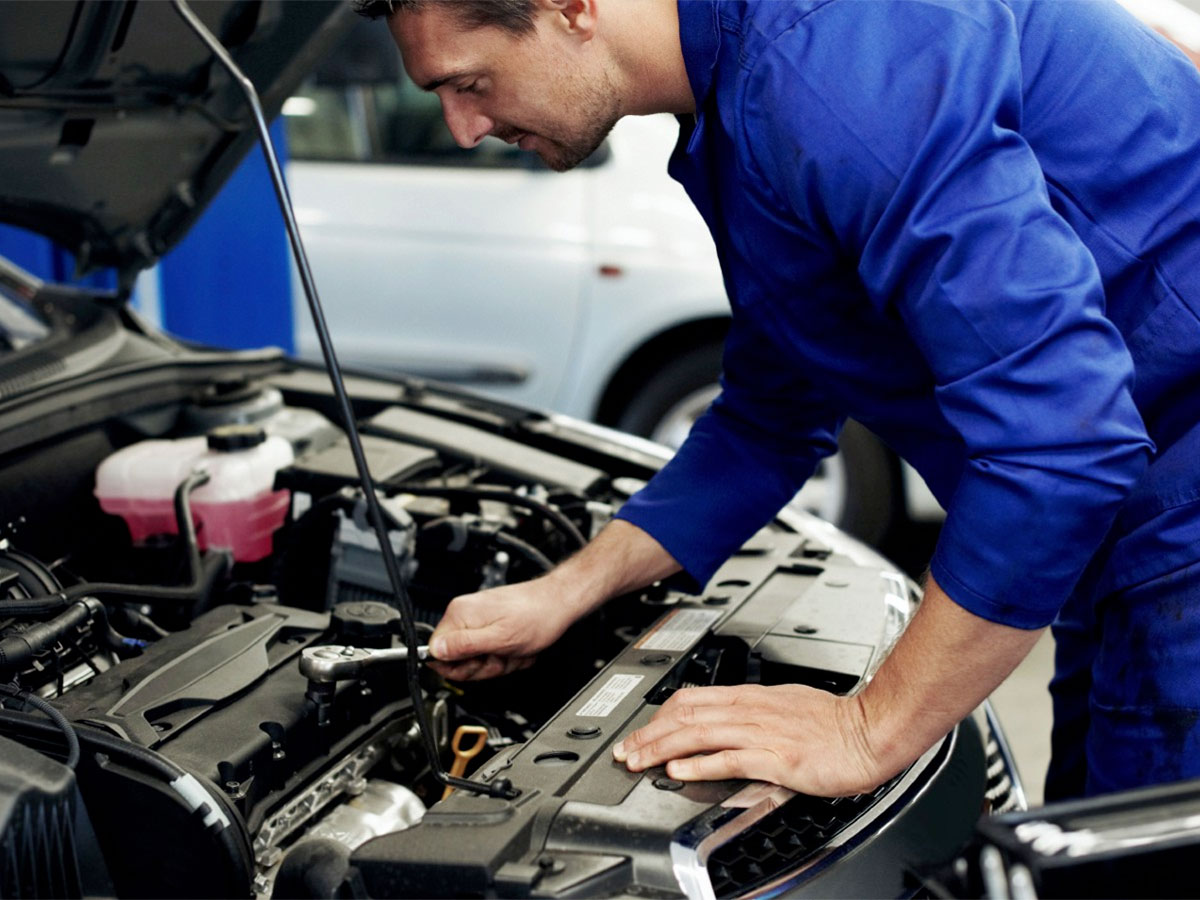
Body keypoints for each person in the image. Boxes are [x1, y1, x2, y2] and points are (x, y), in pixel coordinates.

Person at [359, 0, 1200, 801]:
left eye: (467, 84)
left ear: (570, 6)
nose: (463, 130)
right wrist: (567, 591)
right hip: (1123, 535)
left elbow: (1061, 442)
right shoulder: (745, 99)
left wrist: (870, 727)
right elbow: (768, 419)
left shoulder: (829, 74)